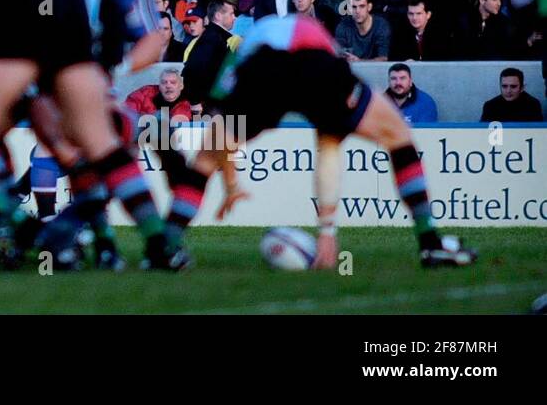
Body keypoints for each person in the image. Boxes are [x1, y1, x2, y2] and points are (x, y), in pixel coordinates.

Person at [161, 14, 475, 270]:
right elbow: (328, 147)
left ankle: (166, 248)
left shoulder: (232, 69)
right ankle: (430, 244)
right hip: (313, 61)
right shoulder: (305, 33)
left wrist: (231, 185)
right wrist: (327, 232)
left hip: (263, 71)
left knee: (203, 161)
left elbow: (221, 144)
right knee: (397, 137)